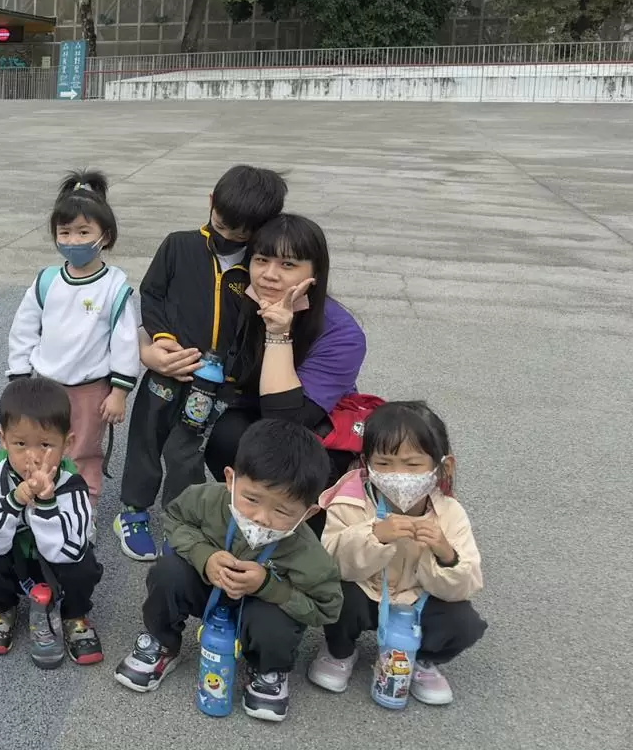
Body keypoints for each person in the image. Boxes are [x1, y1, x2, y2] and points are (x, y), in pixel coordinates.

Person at [113, 419, 342, 723]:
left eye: (283, 511)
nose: (262, 518)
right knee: (168, 571)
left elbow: (327, 607)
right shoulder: (207, 499)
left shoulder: (307, 552)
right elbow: (174, 521)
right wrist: (204, 557)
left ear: (309, 512)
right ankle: (162, 642)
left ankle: (267, 669)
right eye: (251, 499)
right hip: (208, 587)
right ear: (231, 480)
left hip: (261, 607)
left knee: (276, 622)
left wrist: (269, 588)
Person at [115, 164, 288, 562]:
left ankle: (182, 519)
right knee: (146, 437)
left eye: (241, 235)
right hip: (167, 370)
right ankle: (133, 510)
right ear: (211, 203)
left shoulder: (259, 270)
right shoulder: (178, 245)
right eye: (222, 226)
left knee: (186, 452)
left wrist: (235, 372)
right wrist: (161, 340)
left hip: (213, 387)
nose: (228, 238)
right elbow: (152, 294)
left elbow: (254, 331)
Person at [310, 401, 485, 705]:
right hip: (367, 591)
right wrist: (374, 536)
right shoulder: (351, 500)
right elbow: (329, 562)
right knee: (336, 594)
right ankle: (340, 651)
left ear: (442, 467)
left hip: (416, 601)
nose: (399, 475)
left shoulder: (449, 512)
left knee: (464, 622)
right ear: (365, 464)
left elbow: (466, 585)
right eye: (385, 463)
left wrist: (446, 554)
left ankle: (423, 661)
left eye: (413, 465)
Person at [203, 214, 368, 491]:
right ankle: (246, 510)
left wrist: (278, 334)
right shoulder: (239, 301)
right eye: (261, 260)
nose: (269, 274)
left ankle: (304, 520)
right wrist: (148, 348)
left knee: (304, 460)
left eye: (288, 264)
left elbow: (287, 421)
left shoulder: (342, 334)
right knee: (226, 437)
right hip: (249, 407)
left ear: (315, 272)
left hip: (312, 421)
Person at [6, 171, 139, 504]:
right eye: (65, 232)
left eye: (84, 232)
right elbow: (23, 328)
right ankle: (40, 498)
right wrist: (19, 374)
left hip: (90, 391)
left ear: (104, 236)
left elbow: (125, 341)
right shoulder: (47, 281)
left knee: (83, 451)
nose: (74, 241)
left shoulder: (114, 287)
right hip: (45, 384)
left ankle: (83, 509)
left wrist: (119, 392)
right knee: (41, 445)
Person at [0, 378, 105, 669]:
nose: (34, 457)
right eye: (20, 444)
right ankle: (2, 608)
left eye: (46, 444)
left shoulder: (72, 484)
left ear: (68, 443)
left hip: (54, 564)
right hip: (9, 562)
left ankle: (73, 615)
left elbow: (71, 550)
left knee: (84, 563)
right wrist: (13, 501)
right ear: (2, 439)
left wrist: (47, 503)